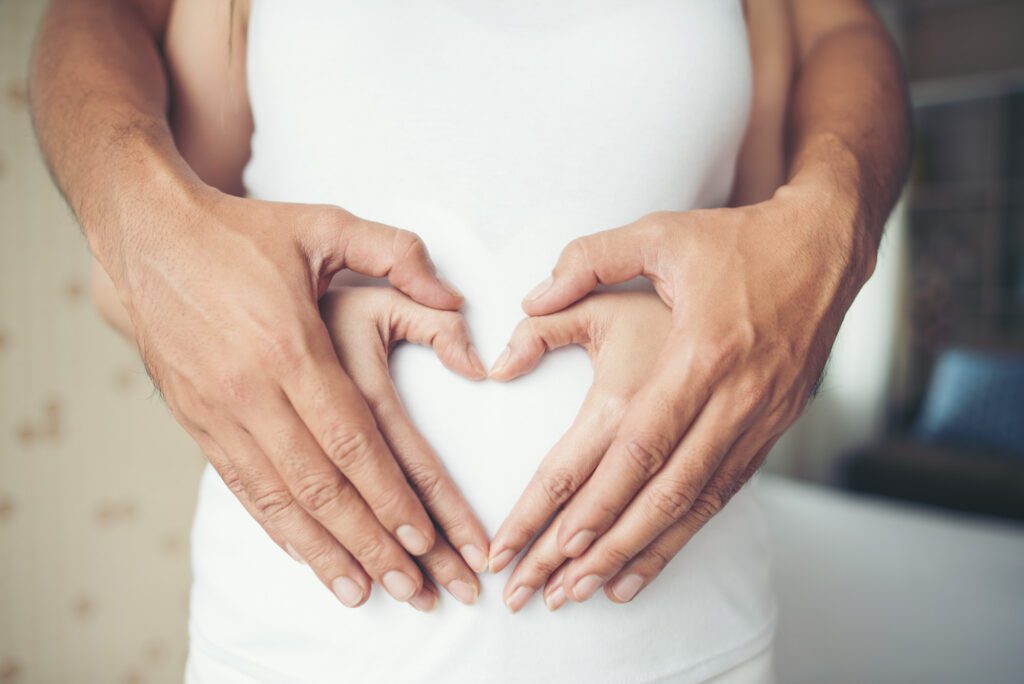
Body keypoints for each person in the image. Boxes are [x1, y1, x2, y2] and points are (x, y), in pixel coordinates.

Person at [29, 0, 910, 681]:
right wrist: (269, 308)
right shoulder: (215, 21)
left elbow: (822, 84)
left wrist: (829, 223)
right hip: (293, 655)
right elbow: (151, 275)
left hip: (687, 647)